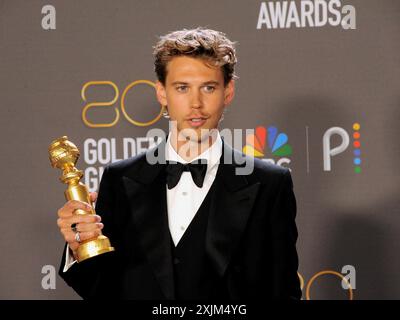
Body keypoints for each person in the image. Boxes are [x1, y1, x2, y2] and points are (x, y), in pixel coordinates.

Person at [56, 27, 301, 300]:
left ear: (228, 92)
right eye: (182, 88)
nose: (196, 104)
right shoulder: (120, 178)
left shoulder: (269, 184)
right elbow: (101, 288)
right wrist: (78, 245)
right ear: (162, 93)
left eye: (208, 87)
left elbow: (283, 292)